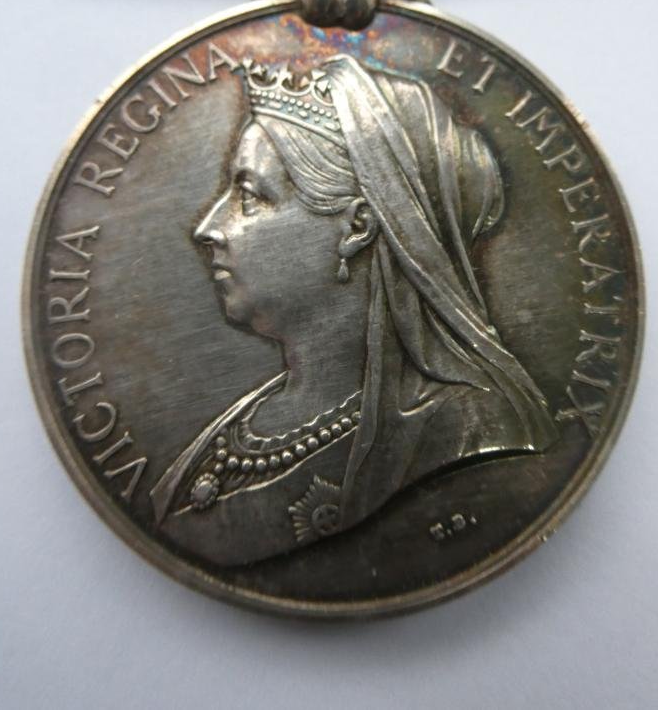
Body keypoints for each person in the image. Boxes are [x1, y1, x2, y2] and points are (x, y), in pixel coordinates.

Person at [150, 54, 557, 565]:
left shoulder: (465, 433)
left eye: (249, 196)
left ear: (357, 226)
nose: (208, 228)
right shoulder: (245, 421)